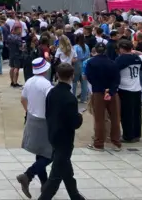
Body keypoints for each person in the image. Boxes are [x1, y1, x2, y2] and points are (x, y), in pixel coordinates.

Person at [37, 63, 85, 200]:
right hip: (65, 138)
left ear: (57, 75)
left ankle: (75, 196)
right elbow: (74, 123)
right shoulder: (70, 98)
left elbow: (48, 113)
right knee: (55, 176)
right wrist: (79, 117)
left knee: (65, 168)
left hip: (53, 134)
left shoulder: (52, 92)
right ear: (72, 77)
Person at [17, 58, 54, 198]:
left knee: (40, 153)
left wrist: (29, 111)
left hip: (32, 118)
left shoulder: (29, 81)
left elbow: (22, 99)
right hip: (44, 120)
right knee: (51, 153)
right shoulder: (46, 85)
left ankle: (45, 183)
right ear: (45, 70)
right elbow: (51, 103)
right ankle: (28, 175)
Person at [85, 43, 121, 151]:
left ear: (96, 50)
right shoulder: (112, 63)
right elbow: (117, 79)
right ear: (105, 50)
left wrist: (98, 87)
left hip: (98, 92)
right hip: (112, 93)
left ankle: (99, 143)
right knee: (115, 118)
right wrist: (110, 90)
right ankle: (116, 143)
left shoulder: (91, 62)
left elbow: (89, 77)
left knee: (99, 119)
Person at [115, 40, 142, 143]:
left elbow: (114, 70)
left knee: (126, 114)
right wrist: (135, 51)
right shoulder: (137, 58)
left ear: (122, 49)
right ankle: (137, 134)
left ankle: (128, 135)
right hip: (137, 88)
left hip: (125, 88)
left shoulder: (121, 59)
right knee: (137, 113)